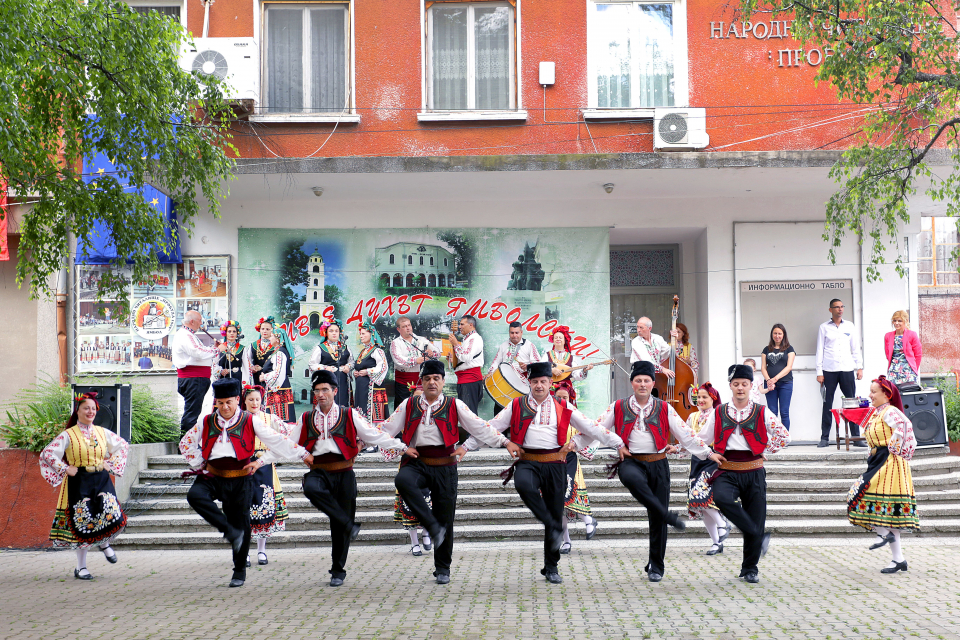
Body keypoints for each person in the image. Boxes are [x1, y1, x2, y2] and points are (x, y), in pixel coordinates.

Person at [466, 361, 625, 585]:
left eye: (543, 381)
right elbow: (491, 426)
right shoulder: (517, 405)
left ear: (551, 383)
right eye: (535, 382)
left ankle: (551, 566)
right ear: (528, 383)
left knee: (555, 511)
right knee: (523, 485)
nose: (539, 385)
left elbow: (591, 428)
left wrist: (612, 443)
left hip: (555, 464)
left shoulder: (563, 405)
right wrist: (466, 446)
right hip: (528, 461)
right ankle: (548, 520)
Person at [378, 359, 519, 584]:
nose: (432, 382)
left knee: (446, 519)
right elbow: (385, 429)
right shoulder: (408, 404)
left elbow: (480, 428)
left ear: (443, 381)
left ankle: (442, 568)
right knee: (402, 480)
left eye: (436, 379)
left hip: (445, 465)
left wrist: (504, 442)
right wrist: (371, 444)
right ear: (421, 382)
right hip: (417, 462)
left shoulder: (455, 405)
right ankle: (430, 524)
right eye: (427, 379)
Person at [277, 370, 410, 587]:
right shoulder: (306, 417)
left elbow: (372, 435)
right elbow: (290, 443)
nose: (321, 394)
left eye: (325, 390)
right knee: (311, 489)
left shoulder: (349, 414)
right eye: (317, 390)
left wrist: (402, 447)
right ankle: (348, 523)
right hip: (319, 471)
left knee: (338, 529)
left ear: (334, 391)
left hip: (344, 472)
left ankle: (338, 569)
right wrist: (267, 459)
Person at [179, 377, 312, 588]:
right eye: (220, 403)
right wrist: (199, 463)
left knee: (241, 523)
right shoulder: (206, 421)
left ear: (237, 399)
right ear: (215, 402)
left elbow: (277, 440)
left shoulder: (250, 420)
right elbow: (185, 442)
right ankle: (227, 530)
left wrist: (298, 455)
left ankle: (239, 570)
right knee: (194, 496)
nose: (224, 407)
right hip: (213, 475)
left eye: (228, 402)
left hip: (240, 478)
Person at [597, 361, 720, 582]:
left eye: (646, 380)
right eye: (638, 380)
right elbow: (597, 428)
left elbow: (686, 434)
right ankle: (665, 514)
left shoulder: (664, 407)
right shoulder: (618, 406)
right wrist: (580, 444)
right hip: (631, 461)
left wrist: (709, 454)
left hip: (658, 463)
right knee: (632, 479)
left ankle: (656, 565)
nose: (642, 384)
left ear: (653, 383)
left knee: (657, 519)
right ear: (631, 383)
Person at [694, 363, 790, 584]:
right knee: (721, 498)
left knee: (757, 517)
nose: (740, 388)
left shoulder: (762, 411)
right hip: (727, 470)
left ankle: (750, 569)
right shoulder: (719, 411)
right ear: (730, 386)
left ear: (751, 386)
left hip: (754, 471)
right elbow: (702, 438)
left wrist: (766, 450)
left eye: (744, 384)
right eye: (736, 384)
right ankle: (756, 534)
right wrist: (688, 450)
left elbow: (785, 436)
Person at [39, 392, 129, 580]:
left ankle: (104, 544)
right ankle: (81, 568)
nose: (90, 411)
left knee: (110, 512)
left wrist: (109, 464)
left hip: (101, 479)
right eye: (86, 408)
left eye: (93, 408)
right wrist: (64, 467)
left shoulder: (102, 432)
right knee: (84, 521)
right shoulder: (68, 435)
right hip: (79, 481)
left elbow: (122, 446)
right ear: (77, 411)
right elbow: (48, 453)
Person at [847, 376, 919, 574]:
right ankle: (899, 560)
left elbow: (904, 426)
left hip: (889, 462)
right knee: (887, 513)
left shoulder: (890, 411)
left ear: (886, 394)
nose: (870, 395)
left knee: (857, 494)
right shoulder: (877, 413)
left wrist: (893, 448)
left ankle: (882, 534)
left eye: (874, 392)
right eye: (870, 391)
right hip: (878, 460)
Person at [240, 385, 291, 567]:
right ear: (244, 401)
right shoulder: (238, 419)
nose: (254, 403)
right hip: (243, 467)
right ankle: (244, 552)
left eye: (257, 399)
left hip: (265, 466)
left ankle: (261, 551)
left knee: (264, 509)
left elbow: (287, 433)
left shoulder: (269, 419)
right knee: (244, 509)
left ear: (262, 401)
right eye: (251, 399)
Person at [550, 380, 599, 554]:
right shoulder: (551, 415)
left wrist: (576, 445)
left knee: (570, 494)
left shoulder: (576, 415)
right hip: (553, 461)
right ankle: (567, 541)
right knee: (557, 503)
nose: (562, 400)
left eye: (565, 397)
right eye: (558, 397)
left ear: (571, 398)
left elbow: (593, 432)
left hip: (570, 460)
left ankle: (588, 520)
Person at [685, 383, 730, 556]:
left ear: (713, 399)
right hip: (697, 461)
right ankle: (716, 542)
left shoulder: (718, 415)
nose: (701, 400)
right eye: (699, 397)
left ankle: (722, 524)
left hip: (714, 459)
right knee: (702, 505)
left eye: (705, 397)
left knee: (700, 494)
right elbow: (687, 438)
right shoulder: (692, 417)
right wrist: (676, 448)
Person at [817, 298, 865, 448]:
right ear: (830, 309)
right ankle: (824, 438)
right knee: (827, 404)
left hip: (847, 369)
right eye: (837, 307)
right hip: (829, 369)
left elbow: (856, 348)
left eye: (842, 307)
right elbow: (820, 350)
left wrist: (860, 367)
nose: (840, 309)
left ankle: (856, 437)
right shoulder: (824, 327)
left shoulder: (850, 326)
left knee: (851, 403)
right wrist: (819, 371)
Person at [173, 309, 226, 434]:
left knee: (193, 411)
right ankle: (186, 444)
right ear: (192, 321)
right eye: (200, 321)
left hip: (196, 378)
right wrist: (217, 350)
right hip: (193, 379)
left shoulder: (189, 335)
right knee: (192, 412)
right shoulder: (185, 335)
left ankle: (188, 443)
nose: (201, 324)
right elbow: (197, 352)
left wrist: (214, 348)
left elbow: (200, 351)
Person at [486, 321, 541, 414]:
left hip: (521, 385)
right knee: (499, 412)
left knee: (518, 413)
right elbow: (496, 361)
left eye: (517, 333)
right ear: (509, 333)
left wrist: (527, 367)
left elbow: (538, 364)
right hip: (503, 383)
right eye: (512, 333)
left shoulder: (529, 345)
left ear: (521, 332)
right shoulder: (504, 345)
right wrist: (490, 372)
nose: (514, 335)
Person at [390, 315, 436, 410]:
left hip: (421, 381)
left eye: (409, 325)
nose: (408, 328)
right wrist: (416, 360)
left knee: (421, 409)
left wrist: (431, 353)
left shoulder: (422, 340)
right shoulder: (395, 343)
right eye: (404, 326)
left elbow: (438, 353)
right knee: (403, 409)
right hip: (403, 382)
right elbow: (398, 360)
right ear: (398, 329)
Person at [308, 320, 352, 407]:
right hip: (326, 382)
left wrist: (348, 366)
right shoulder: (320, 348)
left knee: (343, 403)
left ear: (340, 333)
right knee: (327, 405)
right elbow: (312, 364)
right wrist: (325, 368)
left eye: (336, 331)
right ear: (326, 333)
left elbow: (351, 362)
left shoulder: (345, 347)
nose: (334, 333)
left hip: (342, 381)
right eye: (331, 331)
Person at [761, 323, 796, 431]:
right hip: (770, 385)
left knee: (784, 412)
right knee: (772, 411)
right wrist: (768, 380)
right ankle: (773, 438)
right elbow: (763, 367)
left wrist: (775, 379)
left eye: (780, 333)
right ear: (772, 335)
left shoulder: (789, 349)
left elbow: (789, 367)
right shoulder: (766, 349)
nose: (777, 336)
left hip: (785, 383)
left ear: (783, 335)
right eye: (775, 333)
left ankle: (784, 439)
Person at [448, 314, 484, 413]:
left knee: (469, 414)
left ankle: (473, 429)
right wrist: (453, 360)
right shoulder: (467, 339)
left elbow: (466, 357)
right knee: (465, 413)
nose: (459, 327)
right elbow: (464, 359)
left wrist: (456, 344)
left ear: (470, 325)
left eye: (462, 324)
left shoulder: (474, 338)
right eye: (459, 324)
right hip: (465, 380)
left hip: (470, 380)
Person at [261, 328, 297, 423]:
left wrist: (264, 377)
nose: (269, 338)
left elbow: (278, 373)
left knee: (280, 419)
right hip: (279, 389)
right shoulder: (278, 352)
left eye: (272, 336)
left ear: (278, 339)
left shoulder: (280, 353)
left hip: (278, 391)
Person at [885, 310, 923, 387]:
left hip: (908, 371)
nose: (896, 323)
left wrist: (914, 369)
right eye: (894, 320)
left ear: (905, 321)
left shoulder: (912, 334)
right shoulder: (888, 336)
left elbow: (918, 354)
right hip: (893, 370)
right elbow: (887, 354)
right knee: (894, 394)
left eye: (899, 321)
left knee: (908, 394)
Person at [243, 316, 277, 388]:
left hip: (271, 378)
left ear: (272, 330)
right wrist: (252, 367)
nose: (265, 331)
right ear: (259, 330)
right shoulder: (253, 345)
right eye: (262, 329)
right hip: (257, 378)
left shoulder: (276, 346)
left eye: (267, 329)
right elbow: (247, 360)